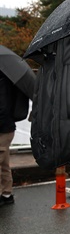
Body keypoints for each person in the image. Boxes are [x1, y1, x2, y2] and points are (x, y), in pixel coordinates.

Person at [0, 69, 17, 206]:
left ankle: (4, 193)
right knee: (4, 161)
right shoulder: (8, 77)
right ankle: (6, 193)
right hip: (7, 127)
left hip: (2, 128)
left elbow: (2, 108)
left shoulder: (2, 83)